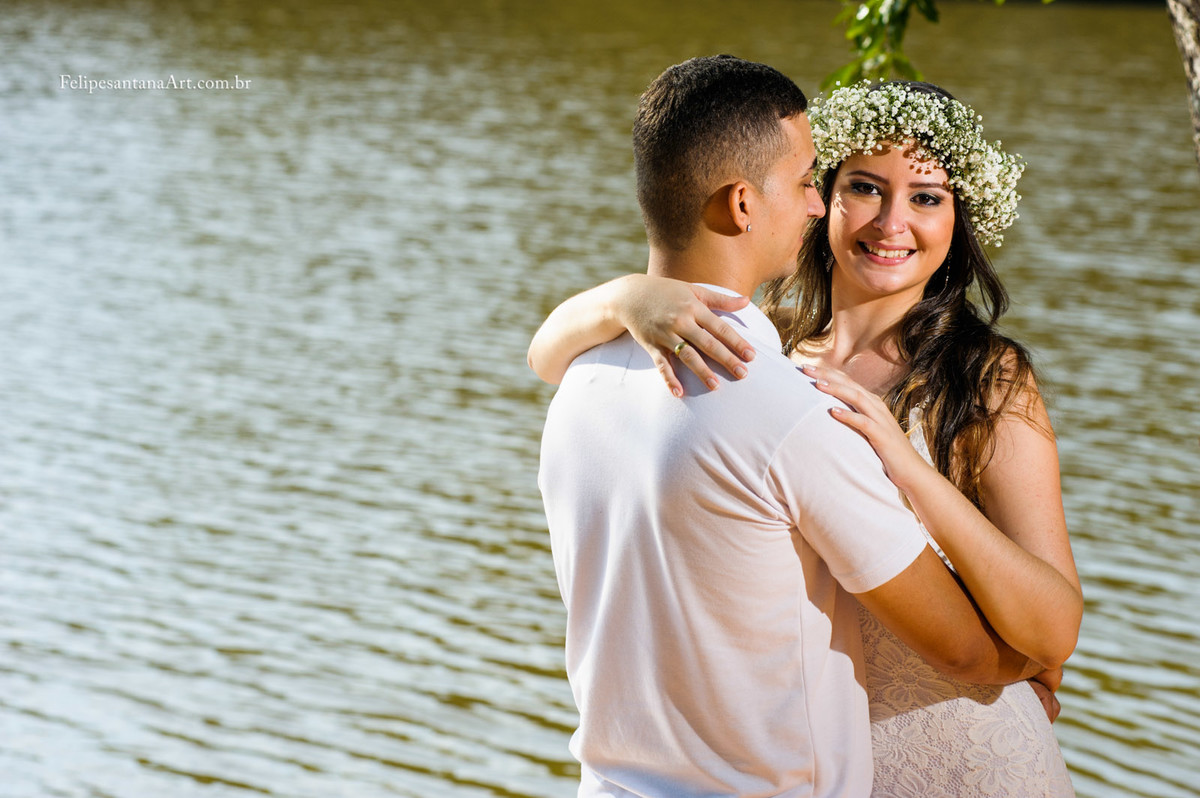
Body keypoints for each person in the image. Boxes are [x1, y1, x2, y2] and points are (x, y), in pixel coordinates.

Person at [529, 80, 1082, 796]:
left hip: (964, 749)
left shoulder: (985, 378)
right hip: (816, 758)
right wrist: (622, 296)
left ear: (958, 218)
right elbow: (547, 357)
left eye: (926, 197)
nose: (890, 223)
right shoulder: (763, 363)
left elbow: (1050, 629)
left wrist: (907, 469)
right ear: (819, 195)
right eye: (862, 187)